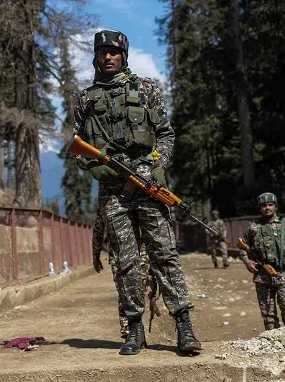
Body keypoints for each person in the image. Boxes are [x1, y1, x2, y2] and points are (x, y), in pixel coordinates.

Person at [73, 29, 201, 355]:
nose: (108, 57)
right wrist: (94, 167)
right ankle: (133, 329)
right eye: (102, 52)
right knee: (125, 261)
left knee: (164, 255)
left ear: (124, 56)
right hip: (113, 191)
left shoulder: (146, 89)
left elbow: (166, 134)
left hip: (148, 184)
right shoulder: (85, 99)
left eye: (114, 52)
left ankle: (183, 323)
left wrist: (159, 165)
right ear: (95, 56)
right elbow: (78, 148)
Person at [91, 205, 159, 337]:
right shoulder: (108, 201)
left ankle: (135, 327)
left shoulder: (139, 198)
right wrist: (95, 254)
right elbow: (99, 229)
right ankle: (128, 330)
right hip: (118, 253)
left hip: (142, 253)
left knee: (139, 288)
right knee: (124, 290)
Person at [238, 193, 285, 330]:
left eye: (270, 205)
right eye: (264, 205)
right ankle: (272, 339)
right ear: (260, 208)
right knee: (268, 312)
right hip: (262, 274)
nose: (267, 208)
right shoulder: (253, 227)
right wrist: (246, 261)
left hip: (284, 273)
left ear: (276, 207)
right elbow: (242, 246)